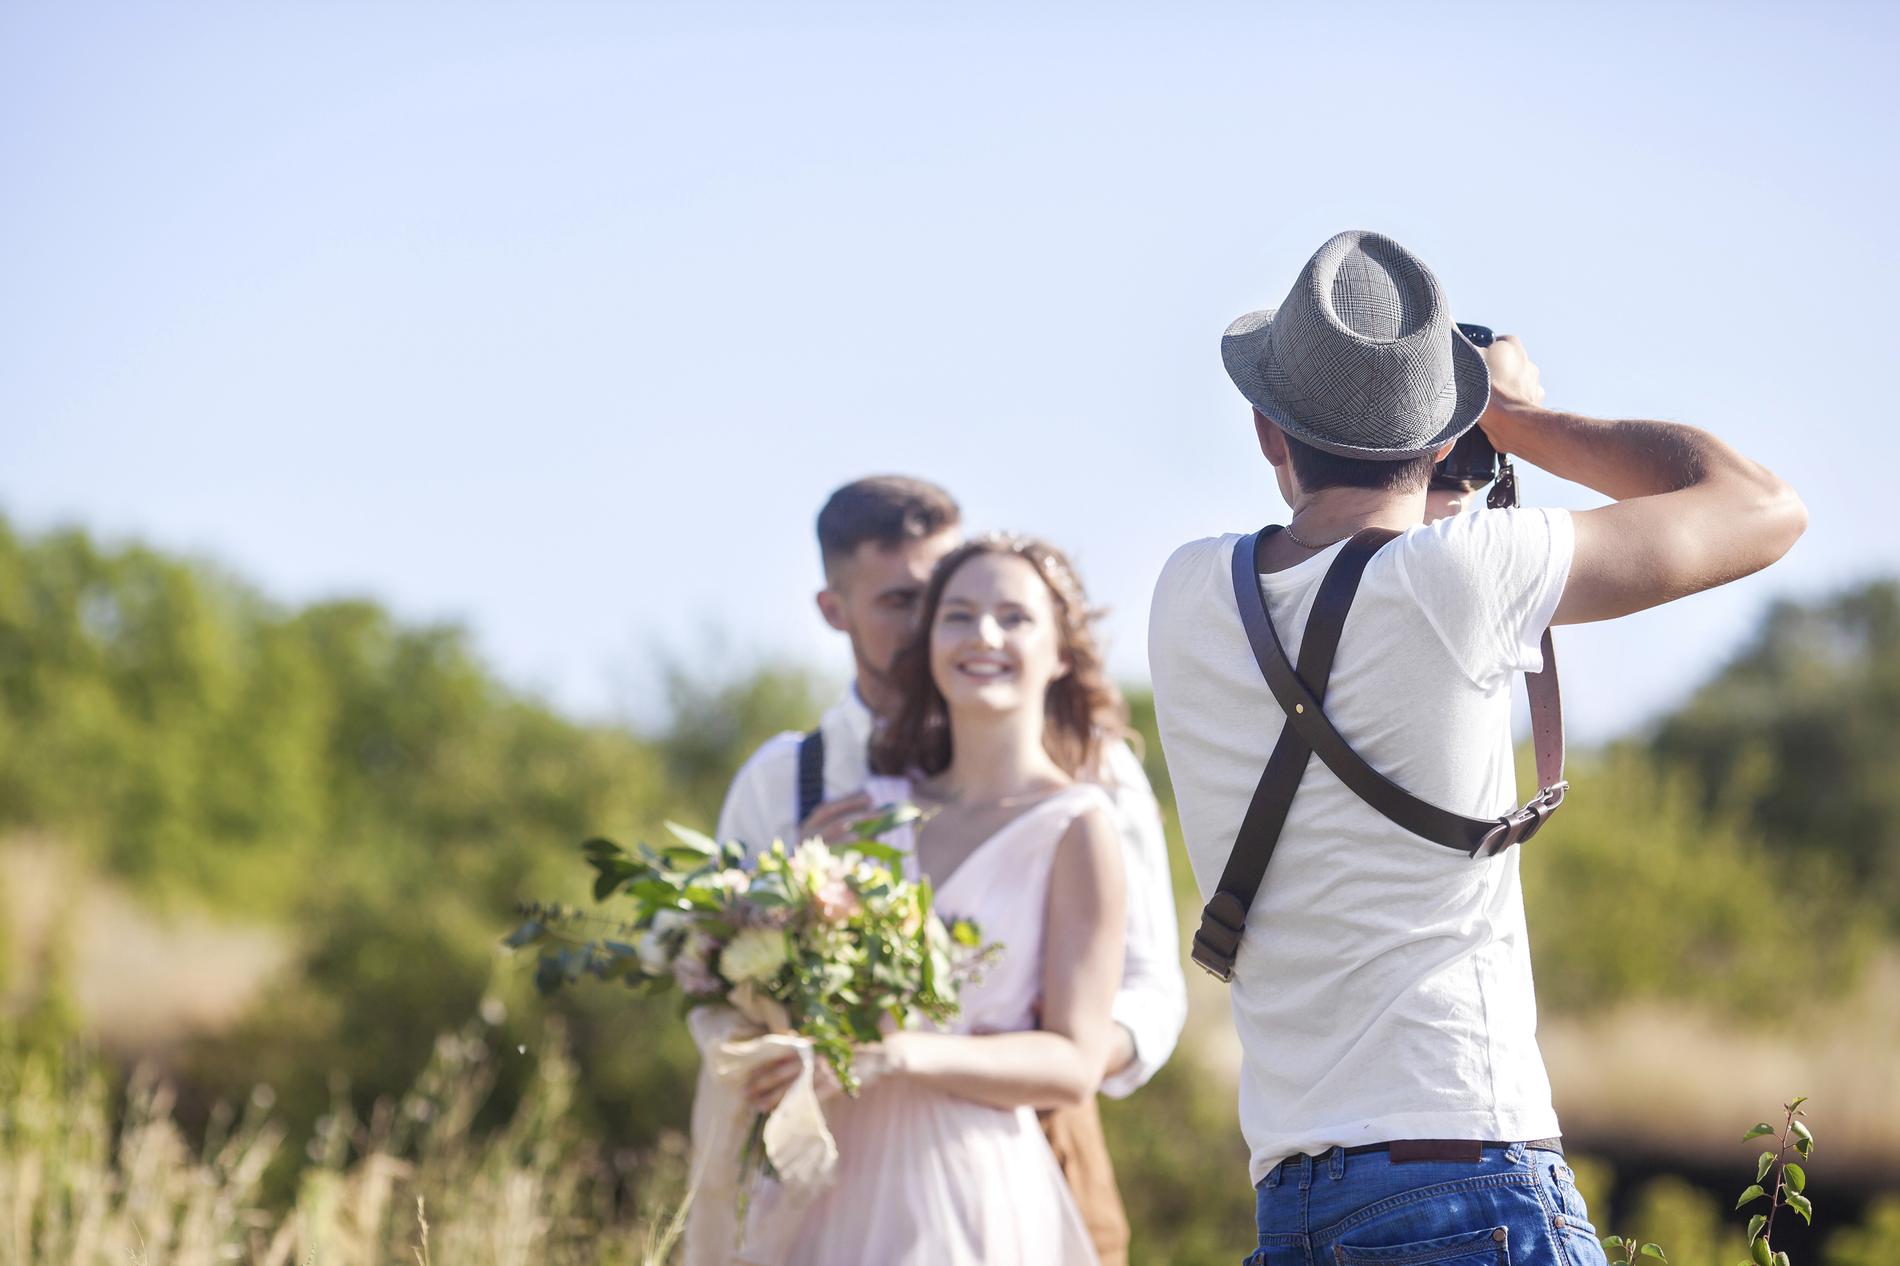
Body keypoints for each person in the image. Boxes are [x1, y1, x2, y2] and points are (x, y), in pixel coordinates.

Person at [1147, 229, 1806, 1266]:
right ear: (1444, 431)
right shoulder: (1464, 579)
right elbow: (1763, 507)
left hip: (1293, 1196)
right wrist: (1518, 419)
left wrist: (1452, 465)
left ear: (1268, 433)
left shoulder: (1187, 592)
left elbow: (1353, 582)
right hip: (1468, 1173)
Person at [717, 476, 1187, 1265]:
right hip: (830, 1162)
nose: (968, 631)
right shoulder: (813, 785)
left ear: (1056, 647)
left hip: (1018, 1146)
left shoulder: (1091, 790)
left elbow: (1148, 993)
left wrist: (993, 1055)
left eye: (999, 610)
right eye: (918, 603)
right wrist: (792, 905)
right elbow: (721, 971)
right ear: (837, 611)